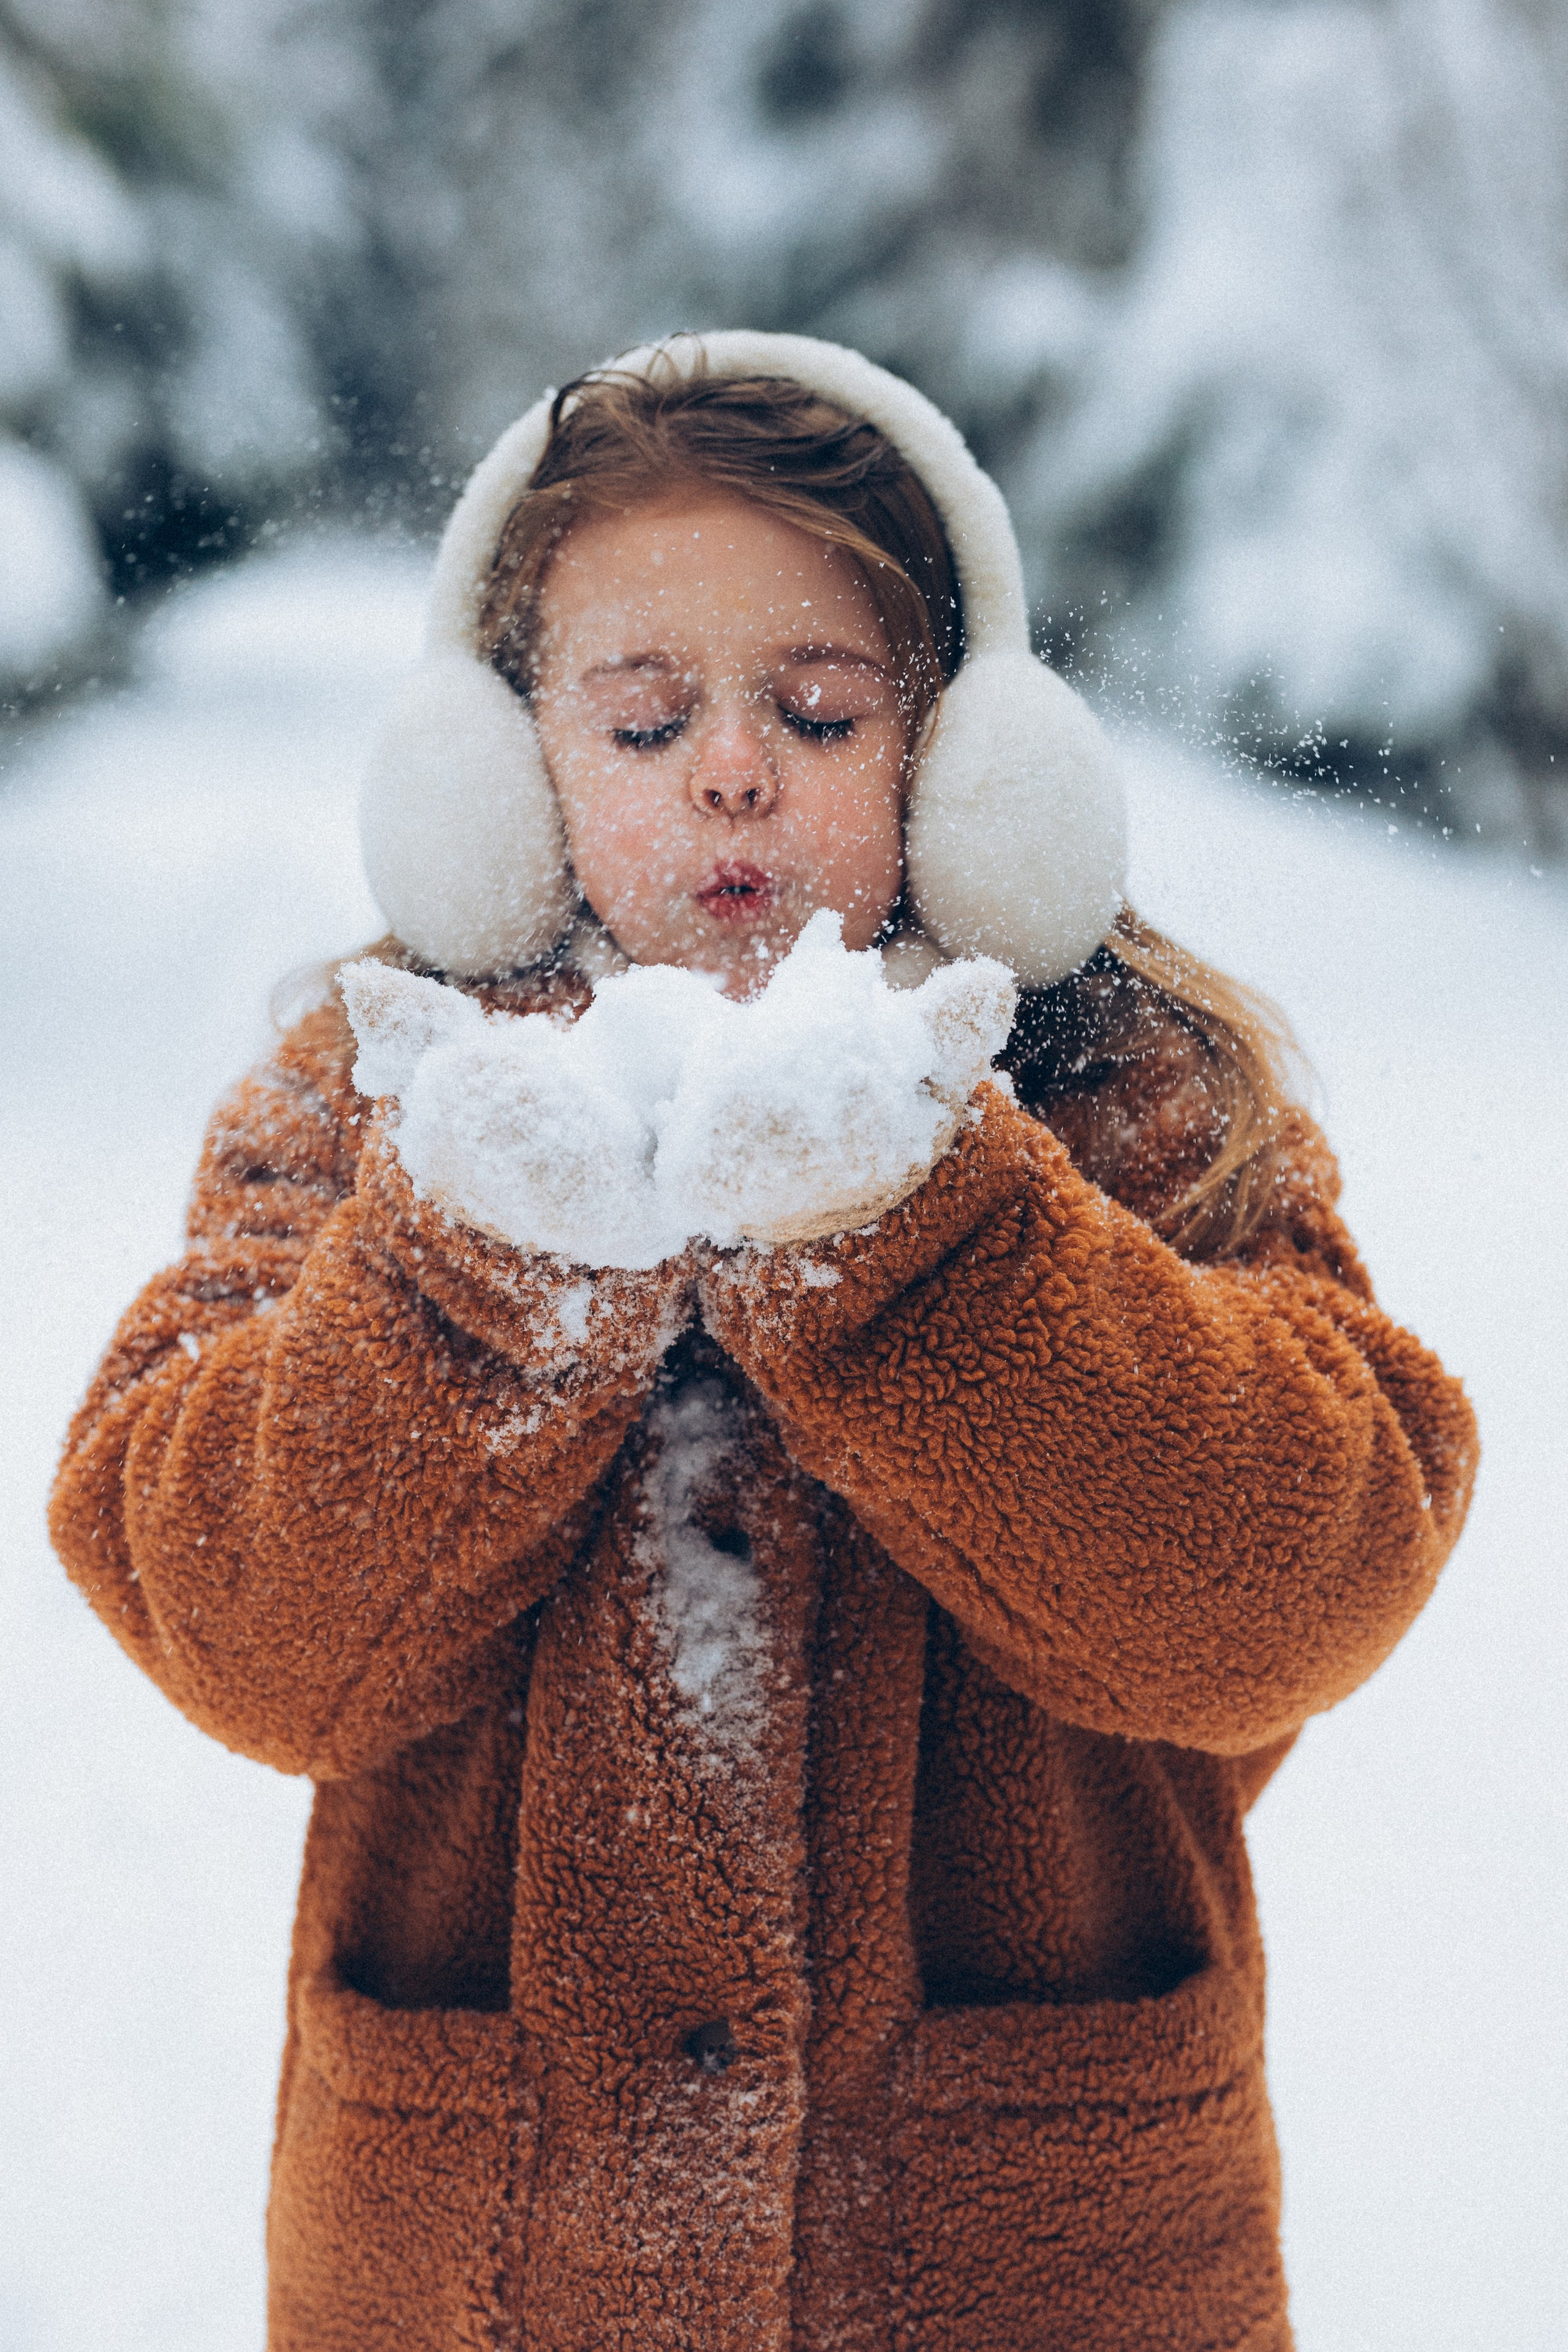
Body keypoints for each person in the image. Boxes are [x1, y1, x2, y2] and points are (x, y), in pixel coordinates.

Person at [50, 333, 1477, 2352]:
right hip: (482, 2278)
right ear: (501, 778)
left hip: (1037, 2270)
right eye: (644, 721)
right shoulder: (376, 1110)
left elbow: (1291, 1587)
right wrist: (475, 1271)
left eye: (817, 711)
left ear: (964, 762)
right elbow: (236, 1625)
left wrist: (932, 1239)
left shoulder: (1130, 1105)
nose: (732, 771)